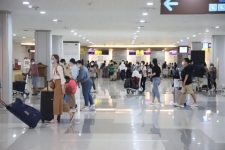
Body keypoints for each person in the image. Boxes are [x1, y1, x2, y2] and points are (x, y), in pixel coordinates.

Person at [50, 54, 74, 123]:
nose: (51, 59)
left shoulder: (59, 67)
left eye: (53, 58)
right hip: (57, 83)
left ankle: (55, 119)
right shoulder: (53, 67)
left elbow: (62, 78)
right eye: (51, 58)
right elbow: (56, 76)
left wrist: (63, 88)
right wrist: (53, 79)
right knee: (60, 101)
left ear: (56, 59)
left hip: (60, 84)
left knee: (56, 102)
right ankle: (71, 113)